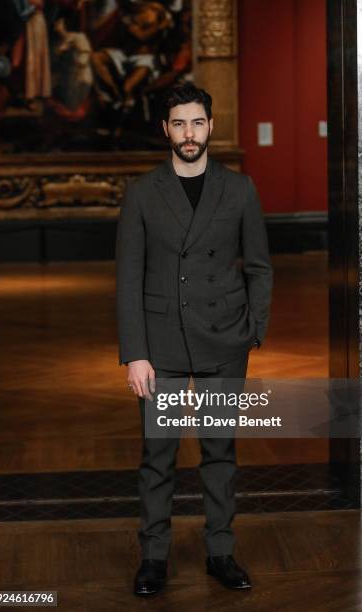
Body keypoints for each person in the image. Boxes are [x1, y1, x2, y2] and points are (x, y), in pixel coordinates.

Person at [115, 82, 273, 596]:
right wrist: (135, 353)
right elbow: (128, 279)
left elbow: (259, 267)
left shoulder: (240, 188)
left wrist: (252, 330)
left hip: (223, 338)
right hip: (159, 341)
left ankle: (221, 552)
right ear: (166, 129)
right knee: (158, 455)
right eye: (179, 123)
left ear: (210, 127)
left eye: (197, 123)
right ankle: (154, 558)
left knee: (220, 452)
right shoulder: (141, 193)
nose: (189, 133)